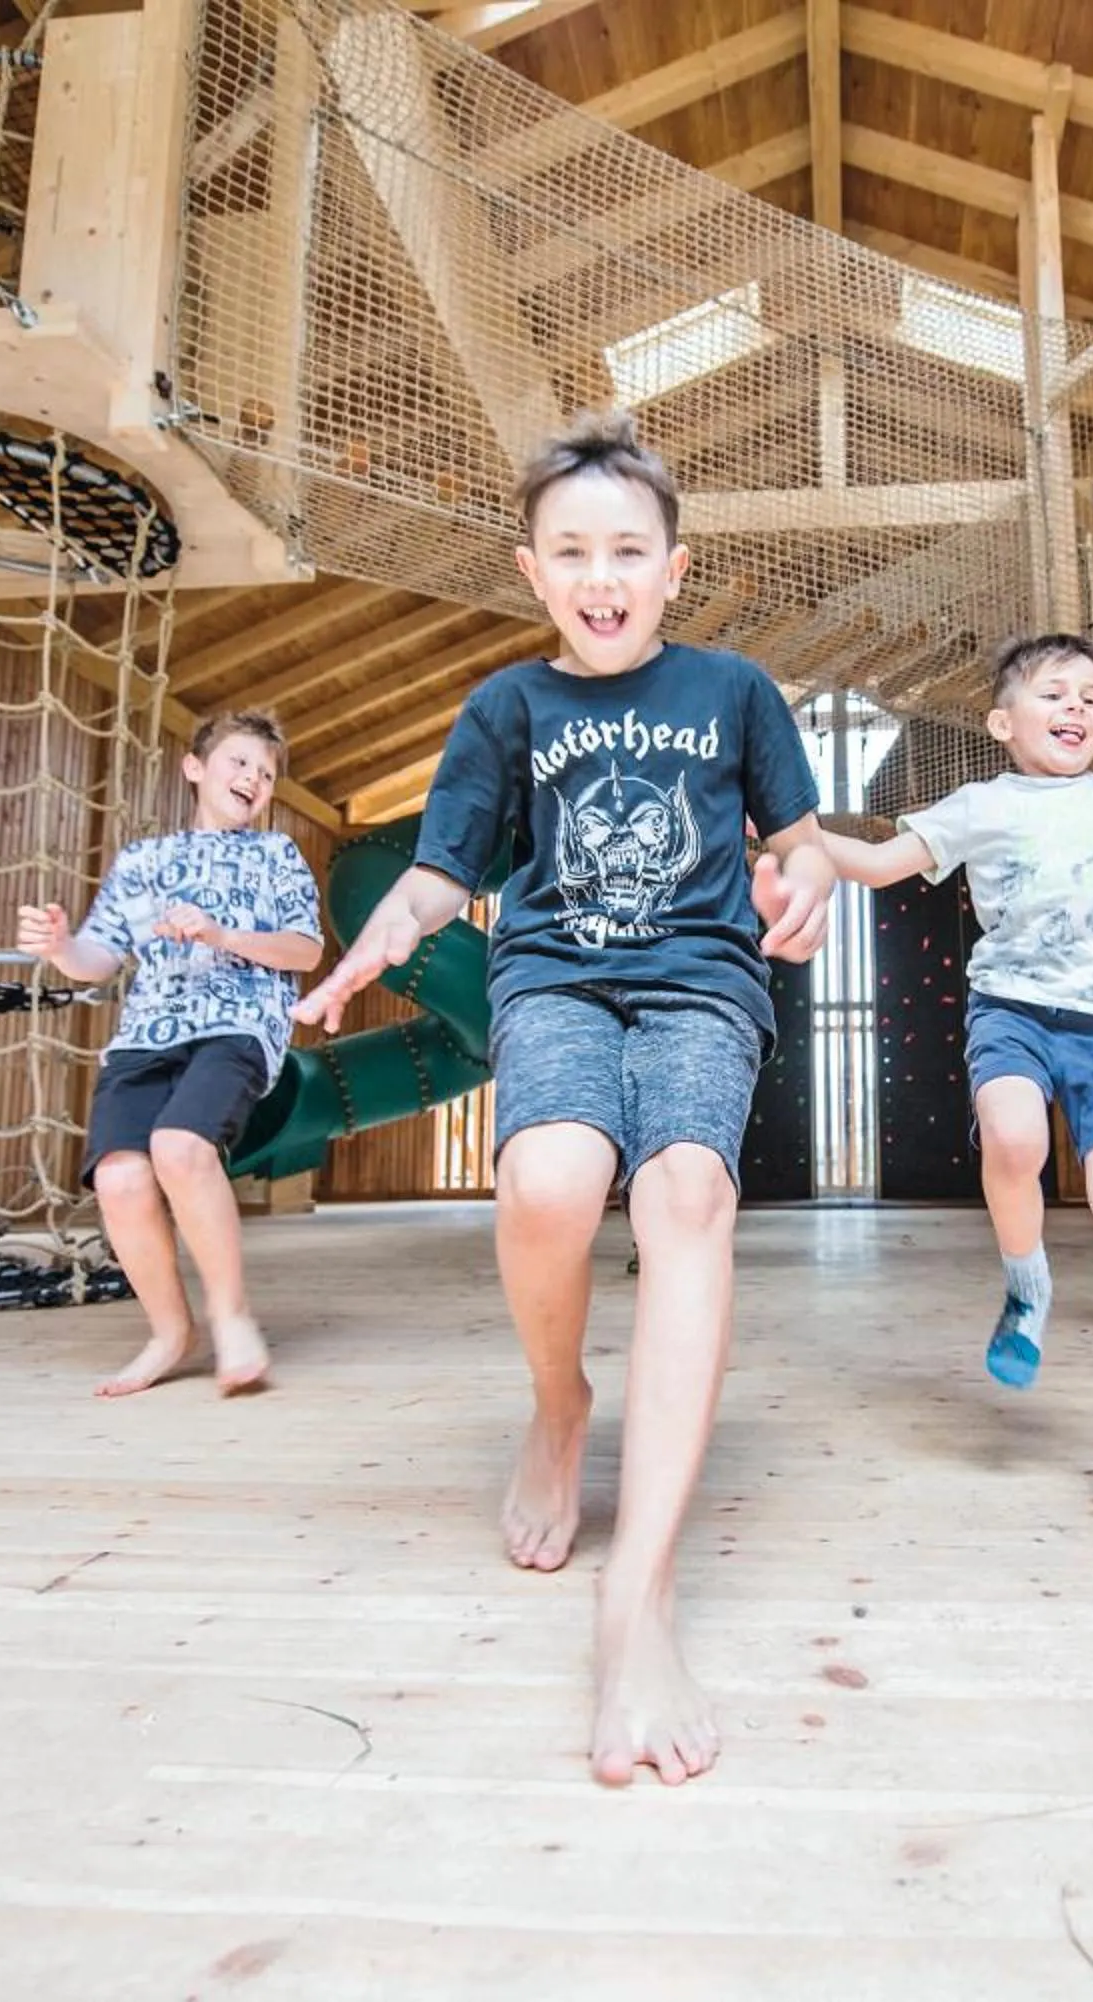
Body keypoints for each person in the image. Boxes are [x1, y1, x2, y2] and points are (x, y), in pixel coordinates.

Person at [296, 410, 837, 1789]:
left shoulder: (736, 692)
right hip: (554, 984)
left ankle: (637, 1596)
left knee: (686, 1197)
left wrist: (813, 876)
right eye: (574, 550)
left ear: (674, 565)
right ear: (532, 570)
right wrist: (383, 934)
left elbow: (798, 841)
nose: (604, 574)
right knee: (547, 1182)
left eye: (630, 550)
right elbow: (442, 872)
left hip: (704, 984)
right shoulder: (506, 708)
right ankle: (557, 1406)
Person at [815, 634, 1093, 1497]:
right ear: (1001, 721)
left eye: (1090, 698)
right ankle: (1028, 1289)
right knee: (1014, 1142)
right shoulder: (979, 805)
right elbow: (876, 866)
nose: (1076, 710)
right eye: (1054, 695)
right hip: (1014, 1012)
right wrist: (795, 835)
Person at [17, 712, 324, 1397]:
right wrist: (61, 947)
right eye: (241, 762)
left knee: (181, 1148)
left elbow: (306, 950)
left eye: (266, 773)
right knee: (121, 1179)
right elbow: (97, 959)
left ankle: (233, 1316)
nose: (253, 778)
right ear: (195, 768)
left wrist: (223, 935)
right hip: (145, 1036)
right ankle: (169, 1333)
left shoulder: (277, 857)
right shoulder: (142, 862)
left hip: (237, 1025)